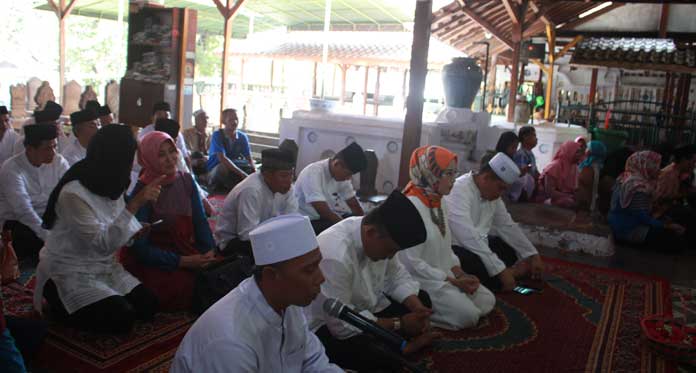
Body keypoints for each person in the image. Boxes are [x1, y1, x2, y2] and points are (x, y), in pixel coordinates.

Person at [171, 214, 341, 373]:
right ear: (271, 275)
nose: (321, 278)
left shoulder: (288, 303)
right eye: (309, 270)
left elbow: (314, 361)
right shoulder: (230, 341)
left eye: (318, 265)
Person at [34, 124, 159, 334]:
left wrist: (133, 232)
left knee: (149, 306)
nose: (133, 165)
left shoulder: (111, 181)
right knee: (122, 318)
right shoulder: (73, 194)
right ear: (115, 158)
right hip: (69, 269)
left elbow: (115, 225)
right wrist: (134, 204)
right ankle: (56, 302)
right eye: (129, 159)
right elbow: (102, 244)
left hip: (104, 267)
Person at [306, 190, 437, 372]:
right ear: (371, 232)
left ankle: (396, 344)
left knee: (422, 298)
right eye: (391, 250)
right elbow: (342, 326)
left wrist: (417, 309)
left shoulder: (378, 238)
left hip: (368, 308)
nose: (391, 256)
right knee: (383, 364)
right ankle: (398, 347)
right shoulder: (334, 254)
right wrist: (400, 323)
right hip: (328, 325)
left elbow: (396, 276)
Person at [398, 146, 495, 330]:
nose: (453, 179)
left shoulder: (439, 200)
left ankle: (451, 307)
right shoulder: (409, 206)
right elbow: (411, 264)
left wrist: (460, 274)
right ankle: (422, 317)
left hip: (445, 275)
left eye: (454, 173)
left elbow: (446, 246)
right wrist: (452, 281)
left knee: (487, 300)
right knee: (470, 316)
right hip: (422, 280)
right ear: (431, 174)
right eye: (448, 174)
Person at [120, 131, 218, 312]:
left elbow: (200, 221)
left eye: (172, 151)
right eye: (161, 155)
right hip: (158, 259)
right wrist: (183, 261)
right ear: (148, 158)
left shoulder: (186, 180)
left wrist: (208, 251)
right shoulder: (144, 191)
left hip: (186, 250)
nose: (170, 159)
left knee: (218, 273)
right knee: (184, 287)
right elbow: (140, 249)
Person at [445, 153, 543, 292]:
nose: (501, 194)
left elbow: (506, 225)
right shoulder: (459, 190)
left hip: (480, 245)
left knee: (507, 248)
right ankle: (508, 274)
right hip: (457, 248)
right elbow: (468, 237)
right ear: (485, 178)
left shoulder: (493, 196)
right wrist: (501, 270)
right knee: (472, 263)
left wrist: (532, 254)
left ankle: (499, 277)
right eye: (501, 188)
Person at [0, 124, 69, 259]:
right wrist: (48, 236)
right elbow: (23, 210)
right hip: (19, 223)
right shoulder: (12, 168)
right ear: (30, 149)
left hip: (49, 217)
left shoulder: (59, 162)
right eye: (48, 148)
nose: (53, 152)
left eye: (55, 146)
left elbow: (70, 193)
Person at [215, 148, 297, 259]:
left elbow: (290, 220)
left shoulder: (287, 188)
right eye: (283, 176)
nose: (289, 180)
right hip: (234, 241)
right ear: (266, 175)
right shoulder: (251, 190)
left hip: (266, 234)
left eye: (291, 175)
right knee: (277, 255)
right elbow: (247, 235)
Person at [608, 151, 687, 252]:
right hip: (628, 229)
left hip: (616, 225)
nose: (658, 170)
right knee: (673, 238)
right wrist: (665, 225)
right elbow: (642, 217)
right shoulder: (638, 187)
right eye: (655, 165)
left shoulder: (625, 178)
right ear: (645, 165)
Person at [295, 142, 367, 234]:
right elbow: (323, 210)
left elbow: (353, 203)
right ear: (337, 164)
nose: (348, 178)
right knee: (342, 230)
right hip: (307, 221)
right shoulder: (313, 172)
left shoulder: (342, 176)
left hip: (326, 218)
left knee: (353, 220)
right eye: (348, 174)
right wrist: (345, 228)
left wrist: (363, 224)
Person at [206, 108, 256, 193]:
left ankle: (234, 187)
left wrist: (254, 173)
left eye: (236, 119)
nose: (235, 122)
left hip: (234, 168)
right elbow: (223, 158)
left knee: (251, 169)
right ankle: (209, 179)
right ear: (224, 122)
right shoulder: (217, 135)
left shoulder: (242, 137)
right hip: (217, 168)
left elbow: (249, 158)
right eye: (231, 119)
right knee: (223, 168)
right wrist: (242, 174)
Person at [139, 102, 191, 169]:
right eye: (159, 115)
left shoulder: (176, 133)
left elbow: (184, 156)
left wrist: (190, 174)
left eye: (166, 115)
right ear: (152, 118)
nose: (163, 118)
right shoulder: (145, 133)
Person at [538, 141, 583, 208]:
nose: (580, 154)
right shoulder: (554, 167)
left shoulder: (574, 167)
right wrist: (568, 196)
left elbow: (575, 189)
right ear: (569, 152)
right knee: (568, 202)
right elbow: (549, 192)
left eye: (580, 152)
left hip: (566, 197)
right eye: (577, 152)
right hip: (548, 199)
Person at [576, 141, 607, 213]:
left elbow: (582, 183)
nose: (585, 150)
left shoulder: (589, 168)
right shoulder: (596, 166)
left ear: (592, 151)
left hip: (584, 203)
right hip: (588, 203)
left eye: (588, 148)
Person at [509, 126, 539, 202]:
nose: (536, 139)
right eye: (534, 135)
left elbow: (534, 170)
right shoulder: (521, 154)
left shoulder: (530, 153)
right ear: (525, 137)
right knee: (527, 178)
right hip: (522, 182)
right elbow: (521, 173)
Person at [183, 109, 211, 176]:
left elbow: (211, 151)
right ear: (196, 120)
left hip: (205, 161)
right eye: (202, 118)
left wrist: (206, 157)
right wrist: (197, 161)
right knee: (197, 155)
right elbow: (185, 152)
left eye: (207, 118)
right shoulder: (187, 133)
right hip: (192, 160)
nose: (205, 120)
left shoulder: (210, 135)